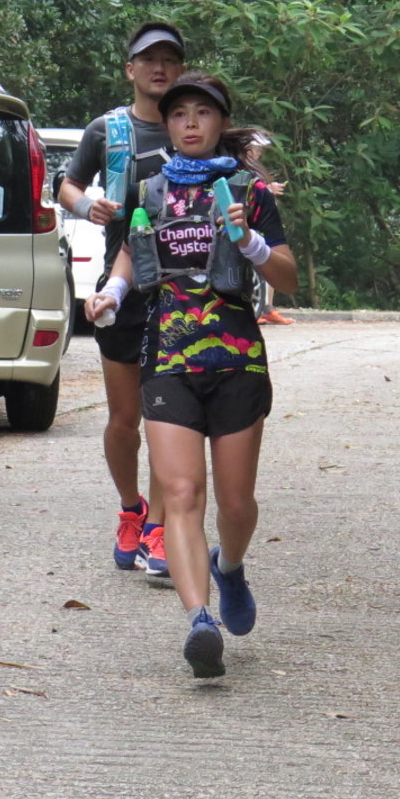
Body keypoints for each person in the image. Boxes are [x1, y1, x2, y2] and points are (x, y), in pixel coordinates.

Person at [85, 74, 297, 678]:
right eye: (179, 114)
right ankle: (200, 622)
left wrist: (250, 242)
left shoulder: (249, 191)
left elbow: (288, 278)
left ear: (220, 122)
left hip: (236, 361)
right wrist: (111, 294)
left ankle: (229, 567)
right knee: (180, 494)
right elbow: (130, 255)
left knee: (236, 503)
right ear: (169, 125)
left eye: (203, 113)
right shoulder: (150, 190)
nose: (191, 123)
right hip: (169, 361)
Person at [59, 22, 185, 576]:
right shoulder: (106, 130)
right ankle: (131, 509)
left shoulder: (193, 127)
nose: (159, 68)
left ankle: (159, 527)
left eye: (169, 60)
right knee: (123, 419)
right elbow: (66, 186)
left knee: (167, 417)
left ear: (181, 70)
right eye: (148, 60)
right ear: (130, 69)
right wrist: (87, 207)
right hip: (121, 285)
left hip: (181, 291)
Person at [245, 131, 294, 325]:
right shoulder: (240, 166)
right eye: (255, 148)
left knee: (272, 258)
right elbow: (244, 190)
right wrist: (267, 189)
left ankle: (268, 308)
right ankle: (257, 307)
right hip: (249, 224)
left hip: (263, 222)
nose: (258, 153)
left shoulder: (256, 167)